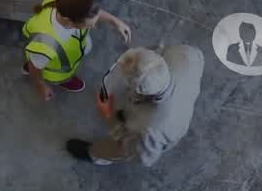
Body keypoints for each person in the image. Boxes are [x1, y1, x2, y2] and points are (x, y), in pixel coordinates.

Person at [66, 46, 204, 166]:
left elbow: (140, 155)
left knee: (119, 148)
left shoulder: (148, 131)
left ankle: (95, 155)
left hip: (162, 131)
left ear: (139, 91)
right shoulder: (185, 54)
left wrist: (109, 116)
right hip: (183, 99)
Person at [21, 0, 131, 99]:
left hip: (48, 55)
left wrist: (115, 22)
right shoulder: (46, 43)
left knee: (37, 60)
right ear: (69, 20)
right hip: (55, 72)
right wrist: (41, 85)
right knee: (37, 65)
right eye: (89, 25)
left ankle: (34, 63)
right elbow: (35, 66)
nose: (93, 27)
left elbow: (92, 12)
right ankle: (64, 80)